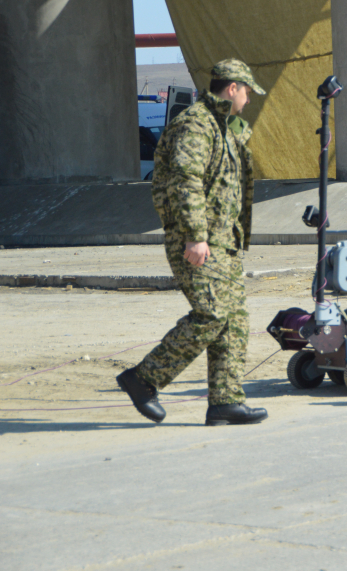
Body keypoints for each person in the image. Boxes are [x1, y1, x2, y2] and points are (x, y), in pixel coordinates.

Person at [117, 59, 268, 426]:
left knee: (233, 321)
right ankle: (143, 379)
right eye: (246, 92)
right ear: (232, 88)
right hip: (198, 240)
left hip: (224, 242)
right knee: (212, 313)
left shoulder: (224, 128)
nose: (248, 100)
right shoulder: (196, 125)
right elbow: (185, 182)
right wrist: (195, 236)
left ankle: (225, 402)